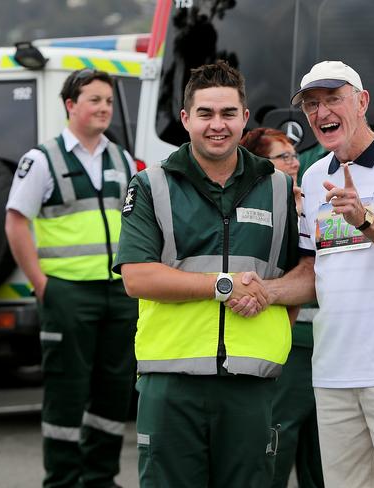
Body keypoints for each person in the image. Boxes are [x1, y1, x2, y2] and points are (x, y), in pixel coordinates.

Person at [113, 61, 299, 487]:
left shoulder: (278, 188)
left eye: (228, 113)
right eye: (206, 114)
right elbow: (137, 278)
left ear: (245, 117)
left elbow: (303, 274)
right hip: (170, 383)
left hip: (251, 384)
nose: (218, 125)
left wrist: (268, 293)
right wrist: (224, 286)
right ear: (186, 119)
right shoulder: (150, 185)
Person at [264, 60, 374, 488]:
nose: (321, 112)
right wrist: (266, 292)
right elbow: (312, 272)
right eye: (311, 104)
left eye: (332, 100)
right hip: (334, 375)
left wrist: (366, 219)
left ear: (361, 102)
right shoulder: (312, 173)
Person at [4, 68, 137, 488]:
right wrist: (41, 285)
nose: (104, 108)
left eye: (109, 102)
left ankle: (100, 477)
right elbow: (15, 223)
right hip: (67, 294)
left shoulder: (119, 158)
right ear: (70, 106)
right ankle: (62, 480)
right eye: (95, 100)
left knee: (114, 388)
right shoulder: (41, 160)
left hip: (117, 293)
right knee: (66, 390)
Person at [240, 127, 324, 488]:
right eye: (284, 156)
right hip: (289, 339)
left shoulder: (309, 201)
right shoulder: (263, 211)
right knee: (281, 436)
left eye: (294, 155)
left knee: (320, 446)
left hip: (323, 337)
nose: (295, 162)